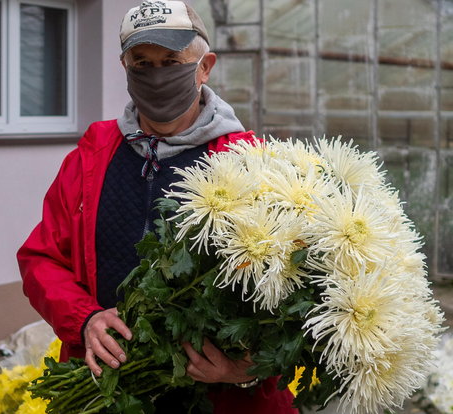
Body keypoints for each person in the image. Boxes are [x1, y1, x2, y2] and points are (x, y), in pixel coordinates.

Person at [17, 1, 297, 412]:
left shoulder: (250, 165)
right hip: (111, 388)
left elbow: (293, 288)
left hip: (221, 399)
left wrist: (246, 368)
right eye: (142, 63)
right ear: (125, 68)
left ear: (204, 67)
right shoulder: (92, 157)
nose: (157, 75)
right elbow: (41, 257)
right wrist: (85, 318)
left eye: (171, 61)